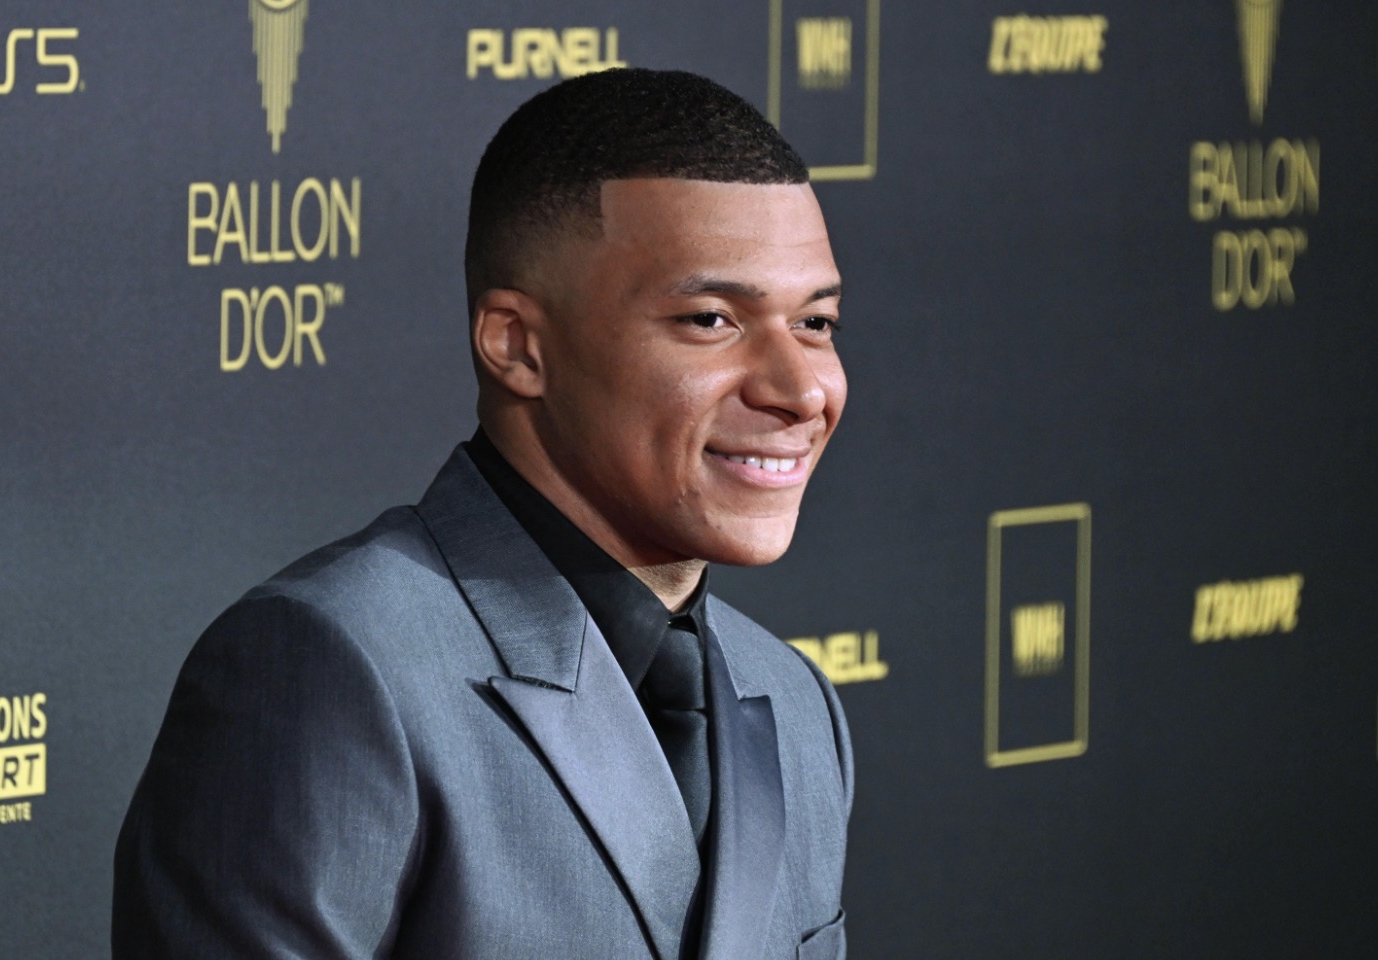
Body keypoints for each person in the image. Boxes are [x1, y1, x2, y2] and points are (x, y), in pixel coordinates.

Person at [113, 67, 853, 960]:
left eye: (816, 324)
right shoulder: (332, 670)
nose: (800, 390)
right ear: (517, 345)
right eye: (709, 320)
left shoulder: (795, 700)